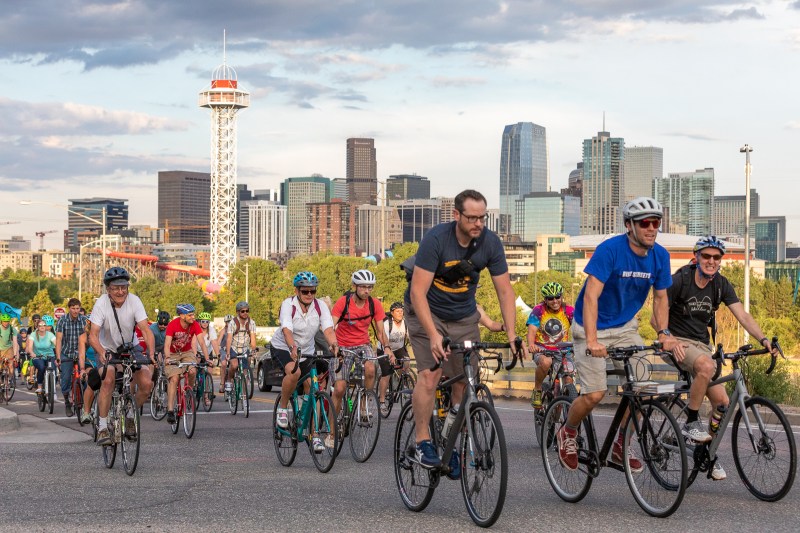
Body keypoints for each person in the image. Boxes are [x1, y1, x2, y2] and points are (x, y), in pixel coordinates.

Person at [557, 197, 684, 473]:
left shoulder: (660, 256)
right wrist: (591, 340)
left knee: (642, 388)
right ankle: (567, 431)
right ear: (629, 225)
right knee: (595, 394)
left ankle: (620, 443)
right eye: (645, 223)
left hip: (626, 328)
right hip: (590, 326)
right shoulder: (610, 250)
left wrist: (664, 332)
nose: (652, 228)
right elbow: (591, 296)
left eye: (656, 223)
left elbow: (661, 298)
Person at [406, 189, 521, 472]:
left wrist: (511, 335)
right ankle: (422, 442)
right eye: (472, 218)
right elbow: (418, 292)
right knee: (430, 376)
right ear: (456, 215)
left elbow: (505, 291)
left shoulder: (490, 243)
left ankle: (447, 438)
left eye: (482, 218)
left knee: (464, 380)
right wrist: (433, 335)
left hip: (463, 316)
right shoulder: (436, 239)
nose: (478, 224)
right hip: (426, 312)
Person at [656, 235, 780, 481]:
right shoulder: (680, 279)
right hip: (677, 342)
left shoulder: (720, 284)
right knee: (706, 365)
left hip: (702, 345)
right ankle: (691, 420)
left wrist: (763, 339)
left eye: (716, 257)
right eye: (706, 256)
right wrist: (667, 337)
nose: (711, 261)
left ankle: (707, 453)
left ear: (720, 261)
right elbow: (655, 317)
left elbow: (742, 315)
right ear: (697, 257)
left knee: (722, 405)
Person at [271, 272, 338, 452]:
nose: (309, 294)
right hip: (284, 346)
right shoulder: (288, 304)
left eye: (312, 291)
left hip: (307, 351)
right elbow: (286, 330)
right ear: (297, 291)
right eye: (305, 291)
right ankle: (283, 408)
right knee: (295, 371)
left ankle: (314, 434)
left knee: (314, 388)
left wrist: (334, 344)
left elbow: (328, 329)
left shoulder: (321, 306)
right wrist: (292, 347)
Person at [88, 267, 155, 446]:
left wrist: (150, 352)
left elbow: (146, 329)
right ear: (108, 290)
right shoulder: (101, 303)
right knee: (108, 380)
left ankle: (131, 416)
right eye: (116, 288)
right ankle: (102, 427)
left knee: (147, 383)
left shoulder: (134, 301)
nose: (120, 291)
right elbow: (93, 335)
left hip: (130, 347)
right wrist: (102, 352)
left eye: (124, 287)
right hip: (107, 348)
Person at [331, 269, 394, 419]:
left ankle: (364, 404)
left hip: (363, 344)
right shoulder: (343, 302)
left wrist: (387, 347)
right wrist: (333, 345)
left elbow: (380, 331)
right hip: (342, 345)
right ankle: (331, 431)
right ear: (354, 286)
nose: (367, 291)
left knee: (371, 368)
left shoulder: (374, 304)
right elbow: (330, 326)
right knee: (340, 388)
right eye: (363, 287)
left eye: (370, 287)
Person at [527, 282, 575, 409]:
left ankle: (566, 408)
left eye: (557, 297)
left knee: (568, 379)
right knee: (546, 362)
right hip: (542, 349)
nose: (555, 301)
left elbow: (580, 328)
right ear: (545, 300)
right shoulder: (539, 310)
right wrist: (531, 344)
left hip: (563, 350)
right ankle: (537, 390)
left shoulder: (568, 311)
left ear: (561, 296)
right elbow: (532, 330)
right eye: (550, 298)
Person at [163, 304, 211, 424]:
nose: (193, 317)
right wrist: (167, 357)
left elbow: (202, 342)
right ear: (182, 315)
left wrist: (207, 358)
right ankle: (170, 410)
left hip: (187, 352)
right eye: (190, 315)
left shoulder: (194, 324)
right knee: (174, 379)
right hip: (173, 354)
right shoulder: (172, 325)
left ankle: (189, 392)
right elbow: (167, 344)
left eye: (193, 314)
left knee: (193, 370)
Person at [55, 298, 87, 417]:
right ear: (69, 308)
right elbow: (58, 340)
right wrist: (58, 357)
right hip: (66, 352)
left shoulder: (84, 320)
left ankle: (84, 402)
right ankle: (67, 402)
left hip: (80, 353)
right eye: (73, 308)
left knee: (85, 377)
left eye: (77, 308)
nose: (75, 311)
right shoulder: (62, 320)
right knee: (66, 379)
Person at [377, 302, 410, 405]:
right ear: (392, 313)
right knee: (386, 374)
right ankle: (382, 401)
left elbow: (411, 337)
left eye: (402, 311)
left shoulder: (405, 323)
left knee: (407, 362)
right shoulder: (387, 324)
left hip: (399, 348)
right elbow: (384, 337)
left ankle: (403, 382)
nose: (400, 313)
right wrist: (389, 352)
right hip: (384, 348)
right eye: (398, 311)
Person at [224, 303, 256, 394]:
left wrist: (253, 350)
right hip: (234, 347)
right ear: (238, 312)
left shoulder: (252, 323)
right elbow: (229, 338)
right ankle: (229, 380)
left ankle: (244, 394)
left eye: (247, 311)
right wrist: (228, 352)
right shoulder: (232, 323)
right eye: (243, 311)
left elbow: (253, 337)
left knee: (245, 370)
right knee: (234, 365)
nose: (245, 313)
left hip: (245, 347)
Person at [77, 316, 98, 424]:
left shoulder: (104, 334)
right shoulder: (84, 337)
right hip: (89, 364)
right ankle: (86, 412)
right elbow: (81, 355)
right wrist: (82, 369)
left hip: (103, 363)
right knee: (91, 380)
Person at [27, 319, 56, 394]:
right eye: (40, 325)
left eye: (44, 325)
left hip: (50, 356)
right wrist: (32, 353)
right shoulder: (33, 334)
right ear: (37, 327)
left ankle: (52, 387)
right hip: (38, 356)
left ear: (46, 326)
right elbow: (30, 347)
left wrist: (59, 351)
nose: (42, 327)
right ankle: (39, 386)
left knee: (53, 369)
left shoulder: (50, 334)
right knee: (41, 367)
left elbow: (56, 344)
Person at [0, 314, 19, 390]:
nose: (6, 323)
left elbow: (15, 342)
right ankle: (1, 381)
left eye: (7, 321)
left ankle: (9, 379)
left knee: (11, 365)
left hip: (9, 348)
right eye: (4, 321)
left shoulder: (12, 329)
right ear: (1, 321)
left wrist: (15, 354)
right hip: (0, 348)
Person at [217, 314, 233, 393]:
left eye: (230, 322)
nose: (229, 324)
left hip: (233, 349)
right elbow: (218, 342)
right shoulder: (223, 331)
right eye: (227, 322)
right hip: (223, 349)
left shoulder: (235, 330)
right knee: (223, 364)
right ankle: (222, 383)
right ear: (225, 323)